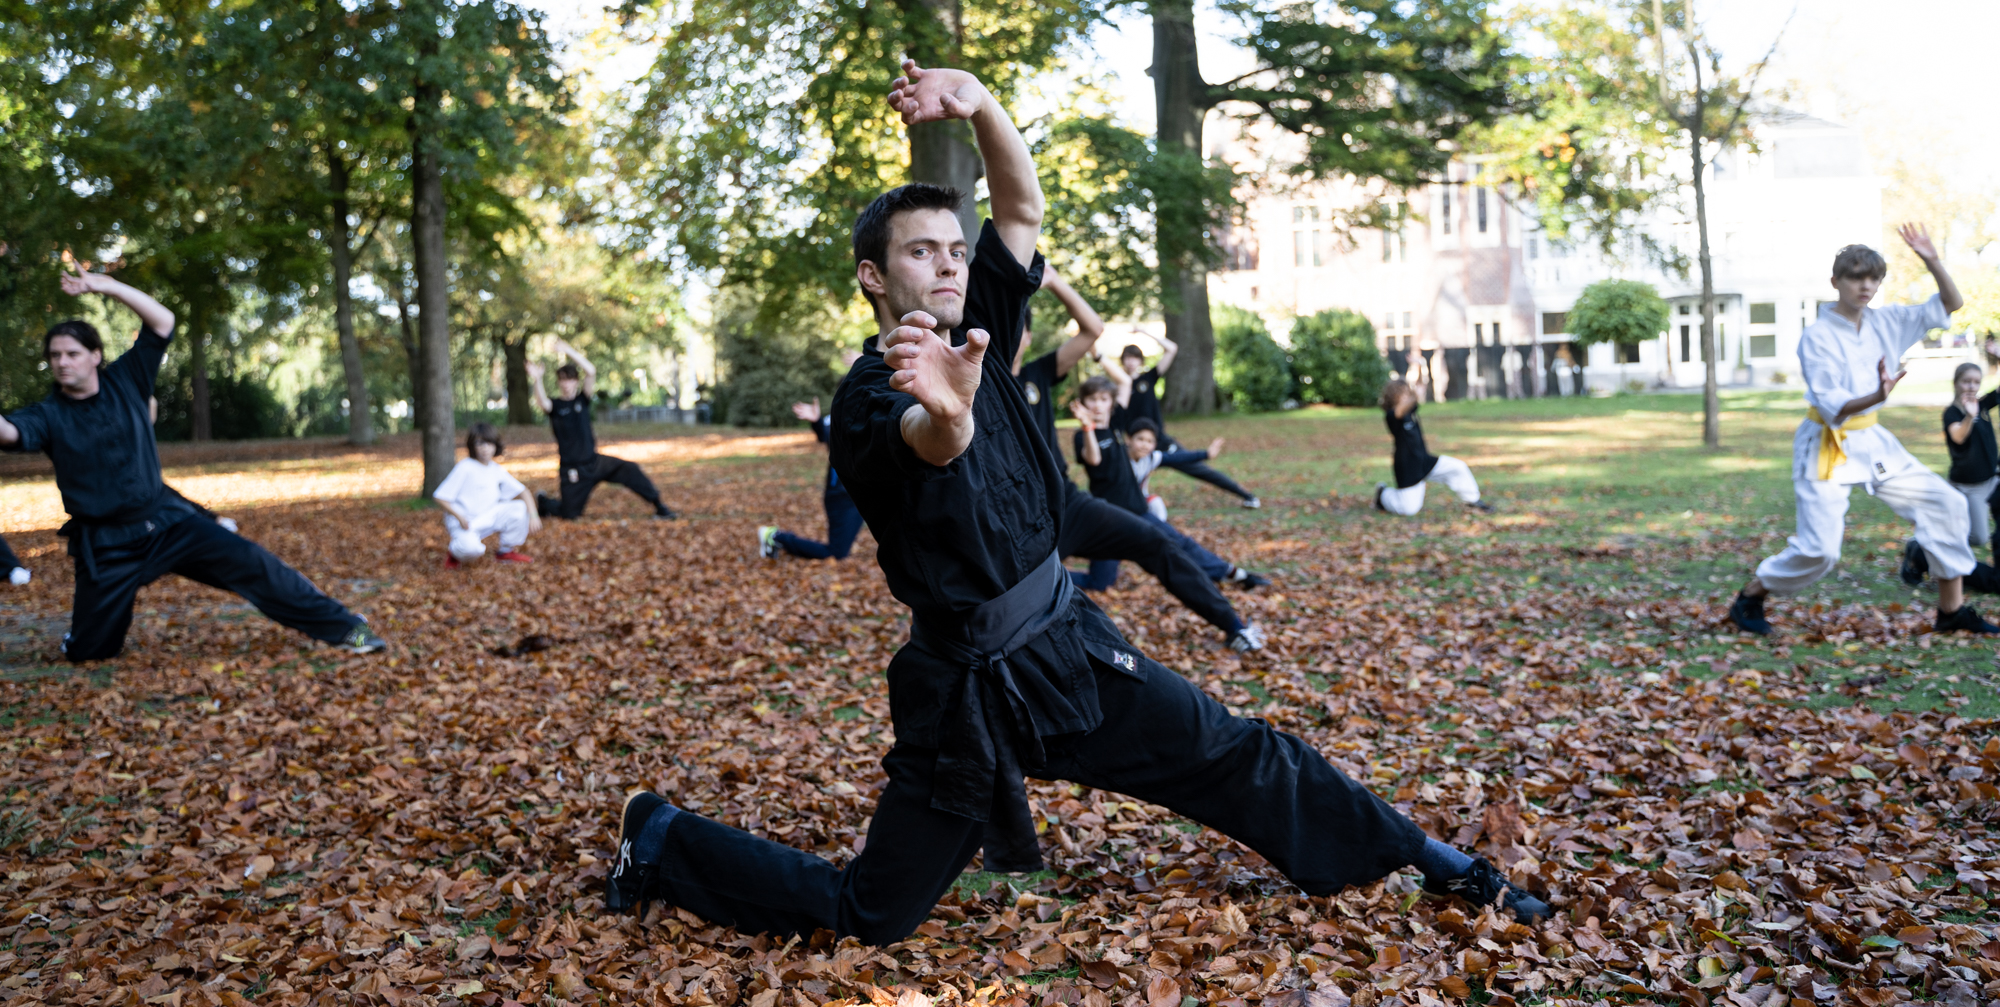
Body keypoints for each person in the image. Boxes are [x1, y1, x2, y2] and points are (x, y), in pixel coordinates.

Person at [600, 60, 1547, 944]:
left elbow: (1019, 204)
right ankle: (663, 835)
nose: (943, 263)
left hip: (1066, 646)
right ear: (872, 276)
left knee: (1240, 752)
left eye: (949, 249)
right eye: (918, 251)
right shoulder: (868, 399)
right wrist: (952, 413)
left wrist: (977, 101)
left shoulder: (980, 327)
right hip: (963, 692)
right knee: (876, 912)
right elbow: (929, 443)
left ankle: (1438, 860)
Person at [0, 263, 384, 660]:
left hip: (169, 524)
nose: (63, 362)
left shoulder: (126, 379)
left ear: (95, 355)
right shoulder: (47, 414)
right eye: (55, 356)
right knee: (90, 653)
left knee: (257, 566)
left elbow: (163, 321)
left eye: (72, 353)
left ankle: (346, 628)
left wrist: (106, 286)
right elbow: (9, 431)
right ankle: (82, 640)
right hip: (108, 544)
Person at [1730, 228, 2000, 636]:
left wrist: (1931, 259)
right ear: (1836, 281)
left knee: (1946, 504)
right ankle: (1751, 596)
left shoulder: (1886, 321)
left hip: (1873, 442)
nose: (1867, 286)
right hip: (1827, 443)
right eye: (1857, 277)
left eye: (1874, 278)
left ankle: (1952, 612)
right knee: (1820, 551)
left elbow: (1951, 302)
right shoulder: (1817, 337)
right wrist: (1877, 392)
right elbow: (1831, 405)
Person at [1011, 268, 1265, 651]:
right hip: (1021, 520)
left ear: (1027, 335)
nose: (1011, 333)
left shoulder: (1037, 374)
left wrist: (1056, 282)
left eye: (1017, 326)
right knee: (1027, 603)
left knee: (1159, 543)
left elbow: (1091, 330)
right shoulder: (974, 379)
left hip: (1069, 504)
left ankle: (1233, 625)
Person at [1073, 377, 1267, 591]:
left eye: (1103, 399)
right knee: (1100, 583)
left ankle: (1231, 573)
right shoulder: (1082, 436)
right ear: (1082, 403)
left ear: (1111, 403)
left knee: (1177, 543)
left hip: (1137, 512)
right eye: (1091, 399)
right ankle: (1048, 578)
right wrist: (1088, 427)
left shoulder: (1117, 426)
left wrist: (1206, 454)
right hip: (1108, 519)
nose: (1098, 404)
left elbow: (1125, 382)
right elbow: (1093, 459)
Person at [527, 340, 679, 521]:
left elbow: (590, 371)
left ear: (576, 382)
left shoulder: (582, 400)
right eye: (562, 380)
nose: (566, 384)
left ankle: (660, 506)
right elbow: (542, 402)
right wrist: (537, 380)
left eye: (570, 380)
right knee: (570, 514)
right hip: (573, 470)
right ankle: (544, 502)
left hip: (595, 462)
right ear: (559, 383)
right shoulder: (556, 406)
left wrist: (568, 350)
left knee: (630, 469)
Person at [1115, 340, 1261, 508]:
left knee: (1197, 469)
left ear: (1141, 361)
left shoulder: (1148, 379)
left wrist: (1143, 332)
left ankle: (1247, 496)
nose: (1131, 362)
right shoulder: (1119, 389)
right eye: (1127, 358)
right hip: (1135, 447)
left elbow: (1172, 348)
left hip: (1160, 443)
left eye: (1135, 357)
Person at [1900, 362, 2000, 582]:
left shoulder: (1981, 405)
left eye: (1976, 382)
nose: (1971, 386)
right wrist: (1969, 417)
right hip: (1968, 486)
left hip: (1991, 480)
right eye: (1966, 381)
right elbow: (1958, 437)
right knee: (1976, 537)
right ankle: (1919, 549)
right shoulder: (1952, 413)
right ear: (1956, 383)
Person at [758, 392, 865, 561]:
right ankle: (776, 537)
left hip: (862, 493)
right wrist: (816, 422)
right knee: (837, 553)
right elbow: (827, 434)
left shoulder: (875, 414)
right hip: (842, 496)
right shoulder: (839, 419)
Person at [1374, 377, 1494, 516]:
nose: (1408, 396)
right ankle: (1383, 494)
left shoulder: (1410, 410)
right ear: (1393, 396)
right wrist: (1415, 395)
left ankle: (1473, 501)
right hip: (1408, 466)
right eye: (1404, 394)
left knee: (1458, 467)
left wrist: (1418, 363)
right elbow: (1401, 410)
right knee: (1409, 509)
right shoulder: (1392, 416)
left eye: (1408, 393)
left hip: (1424, 460)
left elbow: (1419, 385)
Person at [434, 423, 539, 567]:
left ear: (495, 445)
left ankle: (505, 552)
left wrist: (533, 516)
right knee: (472, 550)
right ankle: (455, 552)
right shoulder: (465, 467)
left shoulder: (496, 469)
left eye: (489, 443)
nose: (485, 448)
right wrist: (459, 516)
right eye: (480, 443)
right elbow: (440, 496)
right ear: (472, 446)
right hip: (464, 522)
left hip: (487, 516)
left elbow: (523, 491)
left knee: (519, 507)